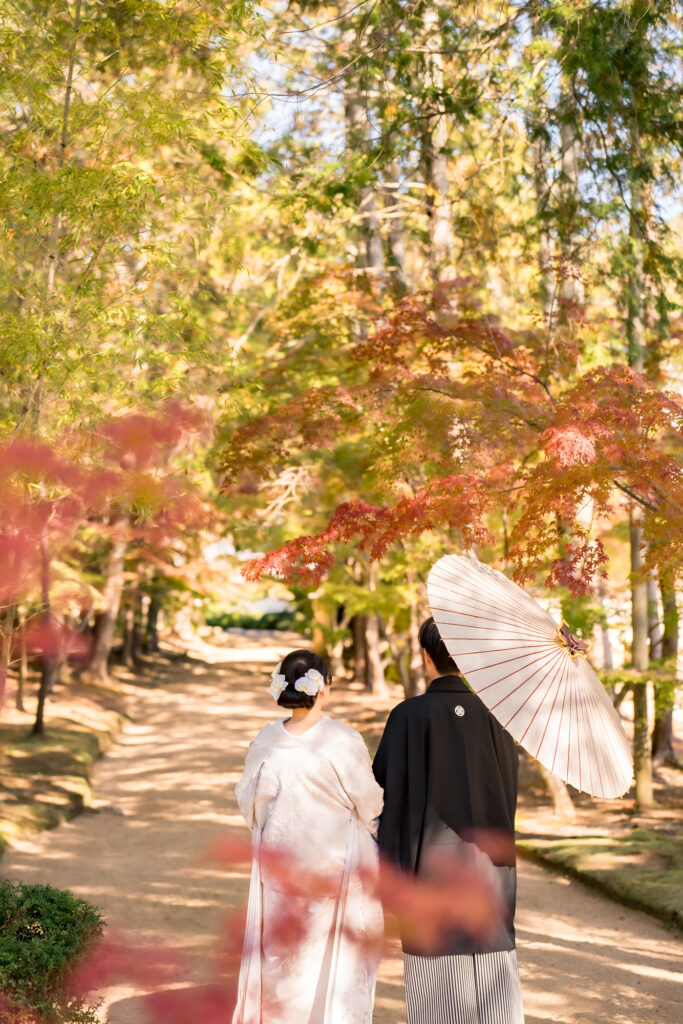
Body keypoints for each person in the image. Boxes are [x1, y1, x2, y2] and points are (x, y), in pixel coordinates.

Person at [372, 617, 524, 1024]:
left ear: (426, 656)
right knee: (494, 977)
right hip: (491, 872)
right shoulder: (499, 718)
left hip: (429, 870)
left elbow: (383, 789)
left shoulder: (407, 715)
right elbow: (508, 788)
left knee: (435, 988)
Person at [232, 648, 384, 1024]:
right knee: (337, 960)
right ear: (323, 688)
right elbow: (370, 801)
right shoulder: (342, 739)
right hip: (334, 868)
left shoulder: (267, 740)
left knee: (283, 958)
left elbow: (250, 804)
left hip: (282, 866)